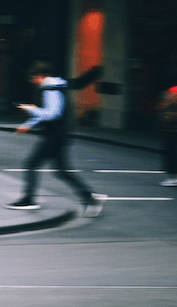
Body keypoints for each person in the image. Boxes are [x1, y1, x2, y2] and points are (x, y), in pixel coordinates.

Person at [7, 60, 106, 217]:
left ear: (39, 76)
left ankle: (29, 200)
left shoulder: (50, 89)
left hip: (55, 136)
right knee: (61, 172)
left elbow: (52, 113)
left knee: (31, 164)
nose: (32, 82)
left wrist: (32, 109)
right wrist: (28, 124)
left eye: (33, 78)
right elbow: (49, 113)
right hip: (58, 135)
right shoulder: (56, 86)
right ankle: (89, 198)